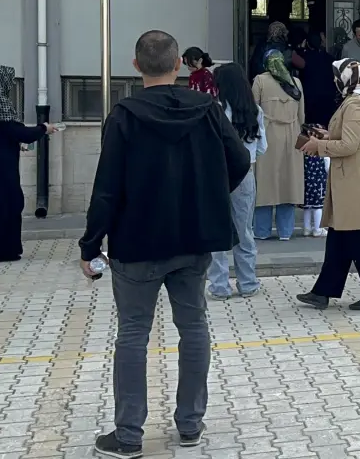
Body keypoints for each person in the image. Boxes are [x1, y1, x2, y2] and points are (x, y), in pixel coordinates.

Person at [79, 30, 251, 458]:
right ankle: (190, 424)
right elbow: (240, 159)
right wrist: (210, 194)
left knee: (133, 333)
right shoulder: (207, 108)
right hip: (193, 237)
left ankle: (128, 435)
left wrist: (90, 245)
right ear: (178, 65)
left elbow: (106, 187)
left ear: (136, 66)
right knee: (193, 326)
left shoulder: (123, 115)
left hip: (136, 240)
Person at [296, 59, 360, 311]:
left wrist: (319, 145)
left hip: (357, 176)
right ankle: (322, 292)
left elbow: (349, 145)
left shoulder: (356, 103)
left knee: (358, 236)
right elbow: (352, 138)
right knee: (341, 235)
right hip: (355, 174)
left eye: (337, 76)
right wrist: (326, 136)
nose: (335, 81)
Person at [0, 64, 59, 262]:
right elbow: (19, 132)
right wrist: (43, 128)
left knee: (5, 205)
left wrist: (14, 144)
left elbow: (0, 136)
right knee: (7, 206)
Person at [206, 63, 267, 300]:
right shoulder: (255, 110)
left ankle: (219, 286)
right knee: (244, 230)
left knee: (216, 230)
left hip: (216, 175)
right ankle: (248, 283)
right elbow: (262, 148)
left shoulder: (214, 109)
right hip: (245, 173)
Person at [252, 54, 306, 241]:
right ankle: (285, 231)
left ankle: (262, 231)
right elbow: (301, 115)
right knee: (288, 183)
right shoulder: (296, 82)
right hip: (292, 135)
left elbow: (253, 109)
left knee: (264, 183)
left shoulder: (260, 80)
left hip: (267, 135)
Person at [293, 30, 339, 128]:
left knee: (311, 129)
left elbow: (294, 60)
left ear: (307, 43)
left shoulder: (304, 58)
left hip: (310, 100)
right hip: (327, 99)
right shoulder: (330, 59)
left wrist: (301, 48)